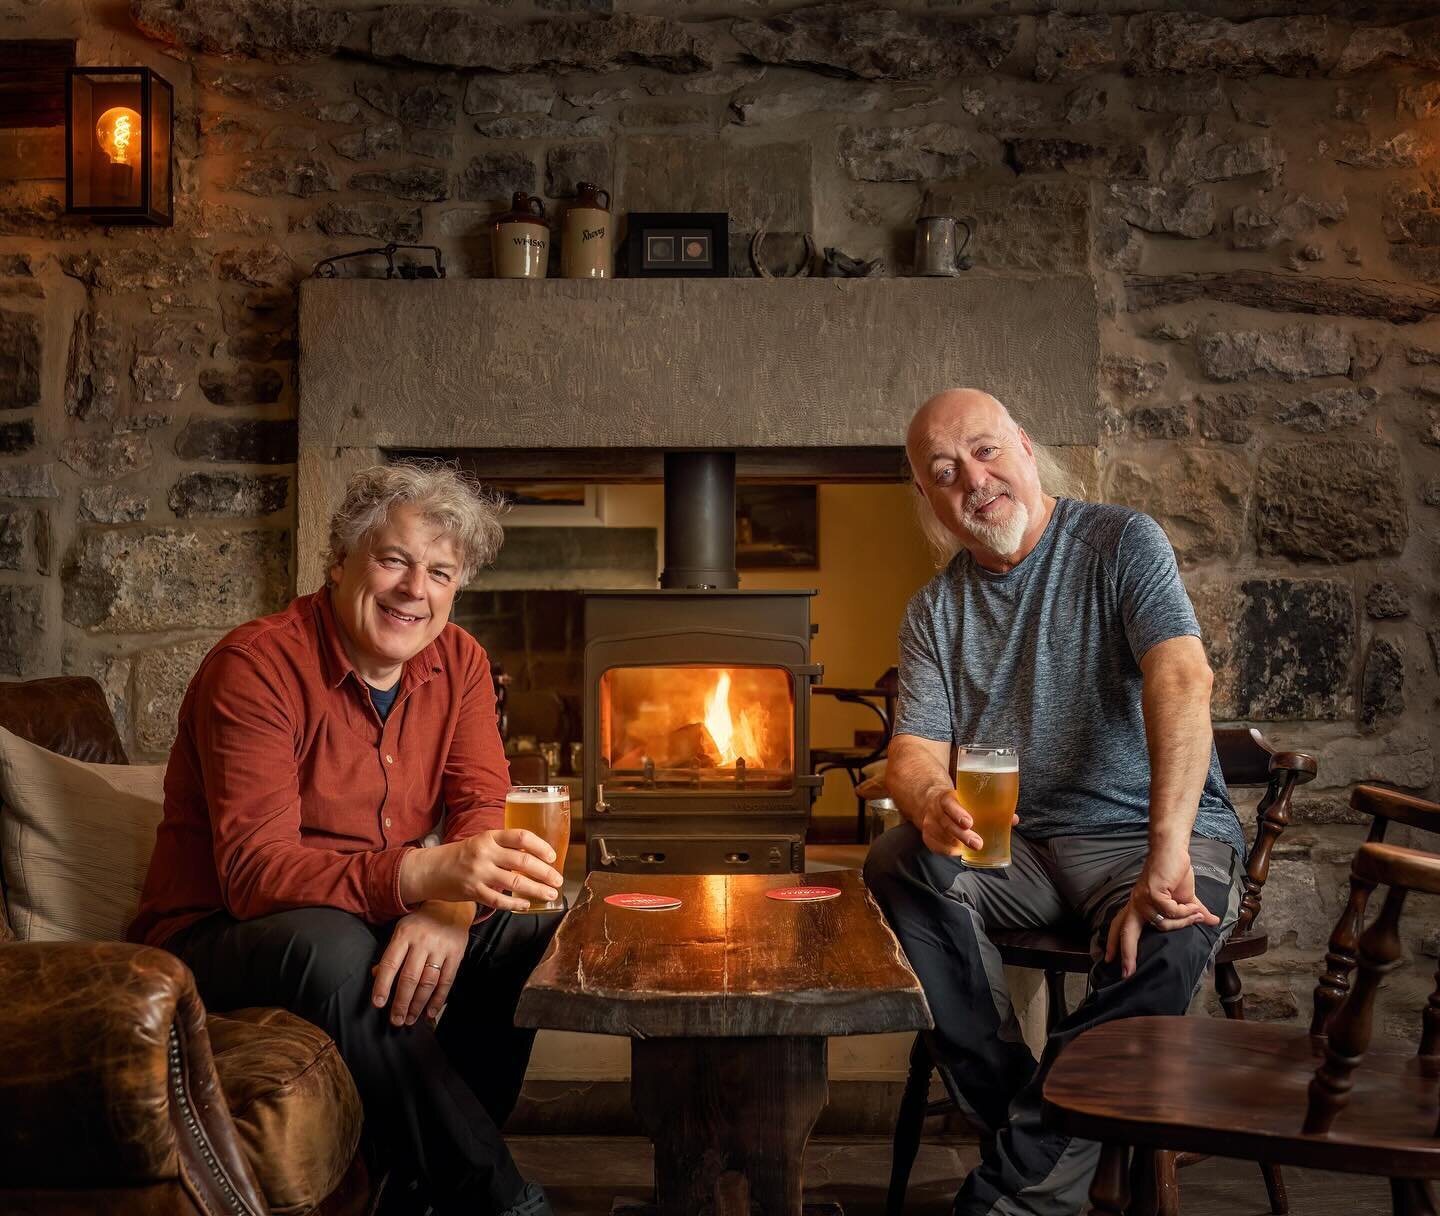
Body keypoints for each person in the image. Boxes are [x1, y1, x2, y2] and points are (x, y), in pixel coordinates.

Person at [129, 463, 564, 1216]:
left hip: (361, 911)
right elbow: (254, 871)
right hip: (221, 931)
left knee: (526, 919)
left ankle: (419, 1184)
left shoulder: (459, 660)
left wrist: (453, 909)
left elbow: (480, 804)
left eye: (439, 572)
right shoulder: (255, 667)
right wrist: (425, 877)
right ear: (340, 561)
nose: (414, 590)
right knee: (335, 949)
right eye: (394, 560)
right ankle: (497, 1198)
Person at [864, 388, 1245, 1215]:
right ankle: (1030, 1124)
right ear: (929, 501)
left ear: (1026, 448)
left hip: (1146, 835)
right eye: (943, 471)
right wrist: (930, 799)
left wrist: (1167, 850)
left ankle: (1015, 1193)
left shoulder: (1118, 542)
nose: (973, 477)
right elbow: (914, 753)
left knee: (1172, 935)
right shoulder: (936, 609)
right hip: (1024, 849)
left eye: (985, 450)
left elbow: (1181, 677)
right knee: (899, 861)